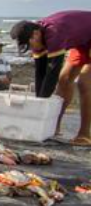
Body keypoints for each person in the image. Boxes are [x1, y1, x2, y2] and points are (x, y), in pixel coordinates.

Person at [10, 11, 91, 145]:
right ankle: (53, 127)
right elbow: (41, 74)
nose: (30, 48)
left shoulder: (54, 34)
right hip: (82, 40)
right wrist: (39, 101)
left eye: (29, 45)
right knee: (64, 80)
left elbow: (52, 73)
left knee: (84, 83)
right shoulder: (37, 36)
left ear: (36, 34)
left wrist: (40, 107)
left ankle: (85, 135)